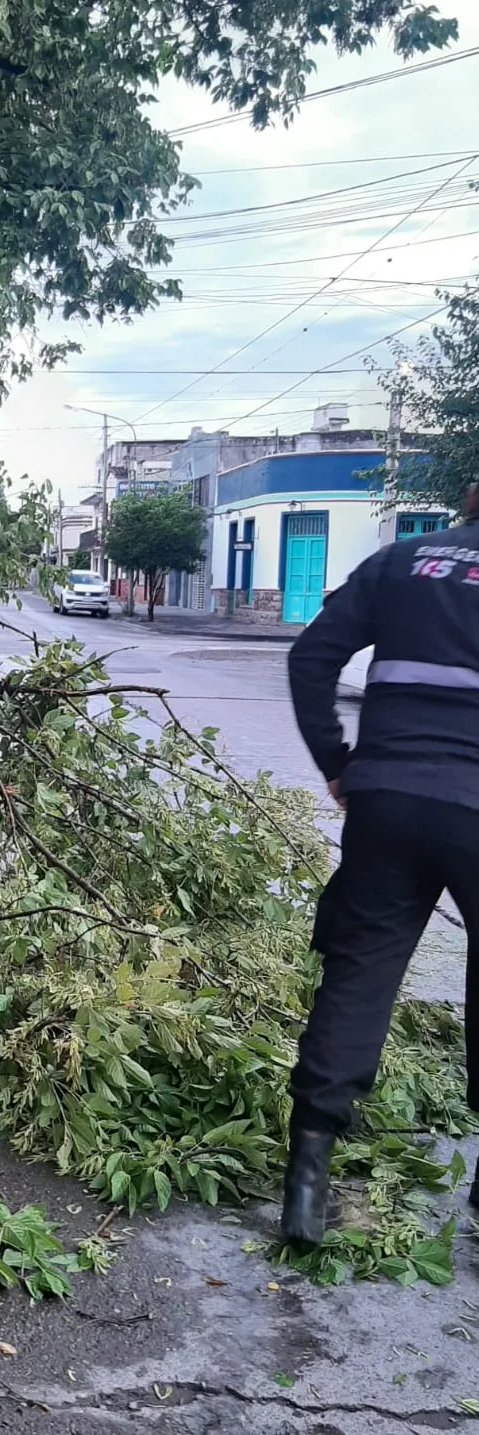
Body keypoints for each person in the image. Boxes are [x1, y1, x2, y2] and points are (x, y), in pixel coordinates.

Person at [284, 481, 479, 1243]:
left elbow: (311, 658)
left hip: (386, 797)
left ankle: (305, 1187)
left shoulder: (401, 561)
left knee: (359, 972)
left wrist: (339, 762)